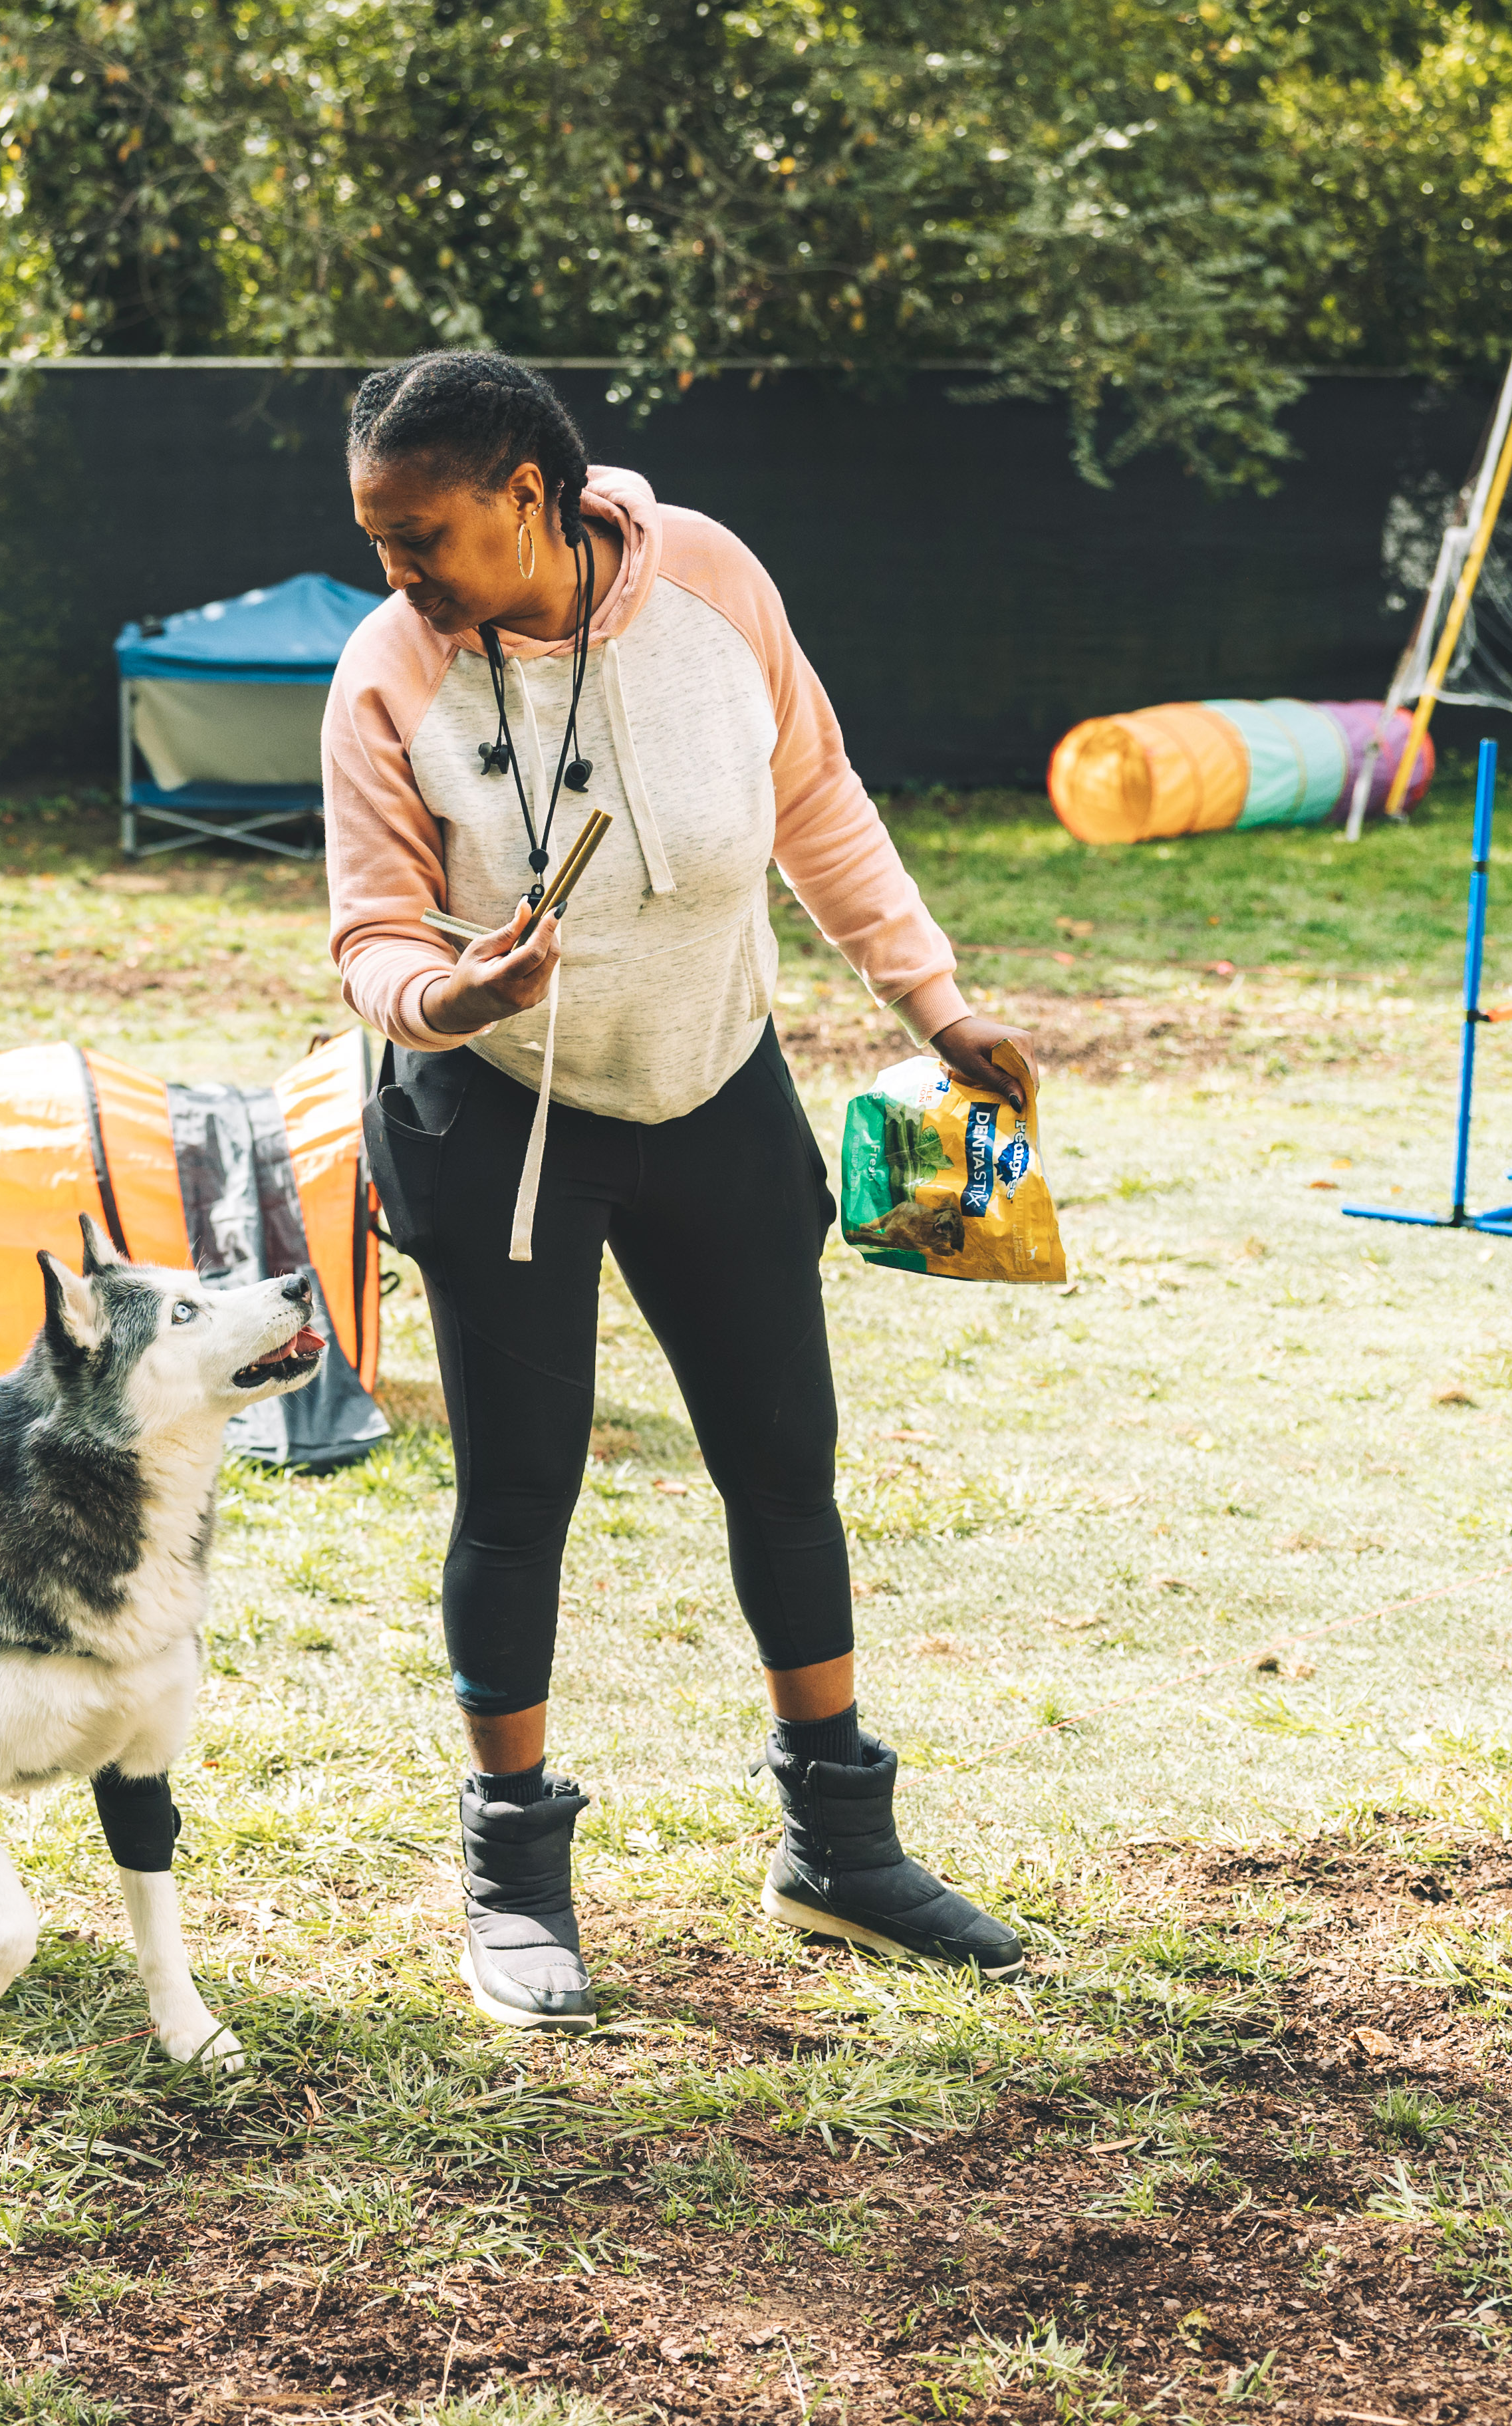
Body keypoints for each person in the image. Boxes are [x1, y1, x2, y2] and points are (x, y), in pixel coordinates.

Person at [322, 349, 1035, 2030]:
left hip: (711, 1082)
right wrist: (452, 995)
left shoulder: (708, 582)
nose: (396, 574)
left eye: (418, 535)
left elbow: (814, 799)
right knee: (519, 1490)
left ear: (526, 498)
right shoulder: (387, 669)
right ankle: (511, 1881)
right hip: (491, 1112)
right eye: (375, 540)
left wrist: (934, 1002)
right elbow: (369, 933)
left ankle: (838, 1847)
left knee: (784, 1459)